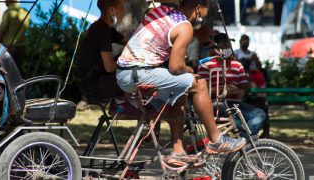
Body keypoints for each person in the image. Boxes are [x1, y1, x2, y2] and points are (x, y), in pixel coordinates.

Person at [116, 0, 246, 163]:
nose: (201, 20)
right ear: (198, 9)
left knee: (180, 92)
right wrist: (188, 69)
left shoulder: (161, 11)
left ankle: (178, 151)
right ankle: (216, 139)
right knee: (199, 84)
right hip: (138, 73)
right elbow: (176, 67)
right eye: (203, 16)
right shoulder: (184, 27)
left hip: (125, 73)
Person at [77, 0, 139, 116]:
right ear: (112, 11)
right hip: (94, 86)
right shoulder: (103, 31)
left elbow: (129, 43)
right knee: (138, 72)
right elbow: (110, 67)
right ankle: (120, 104)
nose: (124, 11)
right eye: (121, 7)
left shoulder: (101, 27)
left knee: (130, 59)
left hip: (87, 83)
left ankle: (120, 102)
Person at [197, 33, 266, 137]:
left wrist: (240, 92)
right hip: (216, 104)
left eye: (229, 45)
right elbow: (201, 92)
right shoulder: (205, 66)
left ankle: (244, 138)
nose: (228, 48)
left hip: (236, 104)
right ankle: (245, 139)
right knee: (233, 120)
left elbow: (244, 88)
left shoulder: (237, 65)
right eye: (225, 46)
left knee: (259, 114)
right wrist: (220, 90)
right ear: (216, 48)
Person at [0, 0, 29, 69]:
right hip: (22, 47)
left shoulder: (8, 12)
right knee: (17, 70)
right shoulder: (25, 12)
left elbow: (2, 29)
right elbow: (27, 28)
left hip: (9, 46)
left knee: (7, 70)